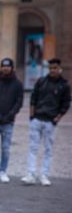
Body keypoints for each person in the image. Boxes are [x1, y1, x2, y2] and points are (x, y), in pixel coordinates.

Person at [21, 58, 70, 186]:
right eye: (51, 68)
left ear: (60, 69)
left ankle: (44, 175)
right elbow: (33, 98)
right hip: (37, 119)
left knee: (48, 150)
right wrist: (32, 116)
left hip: (50, 122)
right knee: (33, 148)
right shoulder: (41, 81)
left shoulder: (64, 85)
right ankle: (31, 174)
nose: (53, 70)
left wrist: (57, 119)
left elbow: (66, 104)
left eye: (55, 68)